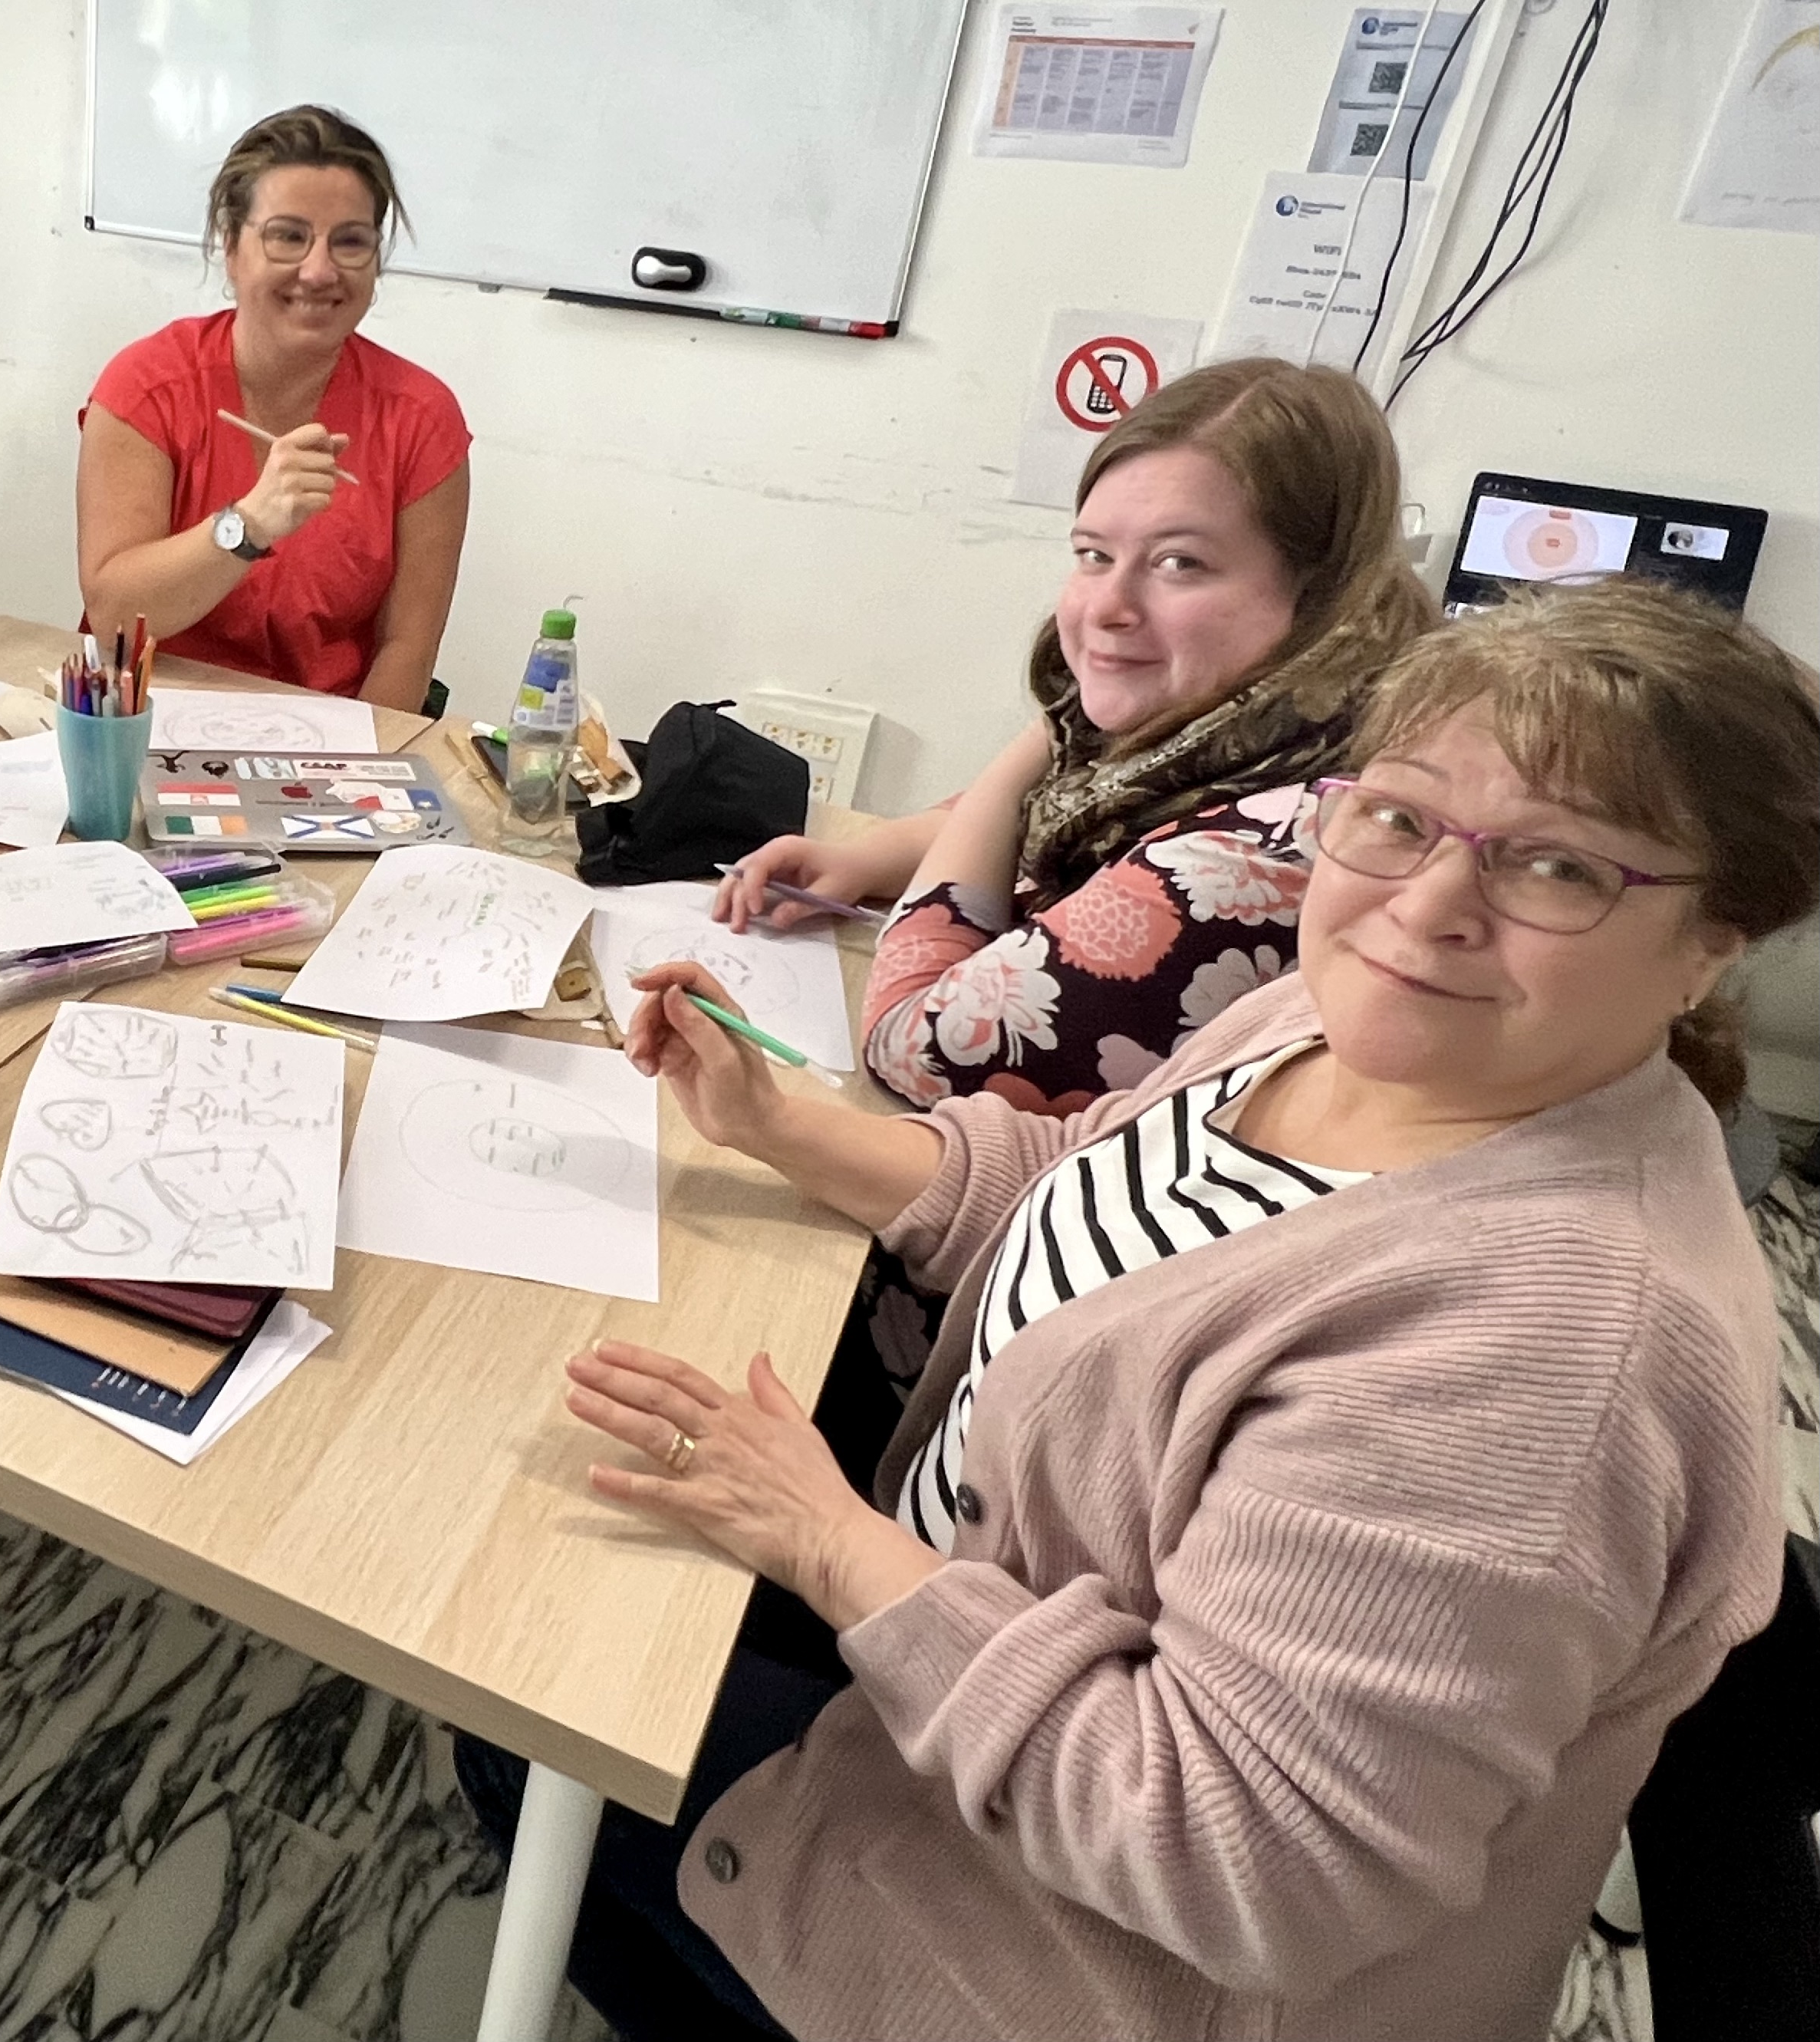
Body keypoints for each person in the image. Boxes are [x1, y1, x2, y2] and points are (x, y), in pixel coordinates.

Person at [461, 580, 1817, 2042]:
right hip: (985, 1610)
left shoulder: (1537, 1357)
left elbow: (1240, 1865)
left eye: (1558, 868)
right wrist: (782, 1125)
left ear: (1712, 940)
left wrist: (829, 1540)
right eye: (1401, 816)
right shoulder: (1334, 1024)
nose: (1426, 906)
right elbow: (1095, 1180)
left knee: (532, 1723)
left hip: (1094, 1952)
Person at [715, 356, 1437, 1117]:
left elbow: (916, 1048)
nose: (1106, 607)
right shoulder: (1237, 731)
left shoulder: (1269, 854)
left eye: (1179, 563)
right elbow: (1033, 822)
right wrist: (867, 857)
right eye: (1093, 555)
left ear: (1322, 596)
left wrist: (1056, 715)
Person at [75, 105, 470, 710]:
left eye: (351, 242)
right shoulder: (147, 387)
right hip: (146, 722)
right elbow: (115, 619)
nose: (319, 270)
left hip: (329, 736)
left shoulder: (421, 419)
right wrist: (249, 524)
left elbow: (407, 649)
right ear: (231, 247)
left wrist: (353, 763)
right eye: (288, 236)